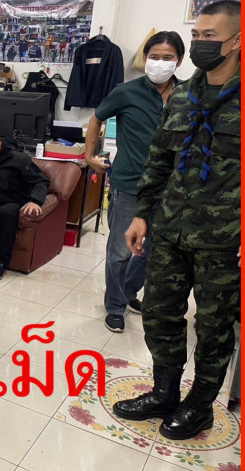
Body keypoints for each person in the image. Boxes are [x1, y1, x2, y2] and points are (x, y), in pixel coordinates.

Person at [112, 0, 241, 441]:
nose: (201, 43)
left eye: (211, 36)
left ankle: (200, 407)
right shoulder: (183, 96)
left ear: (236, 40)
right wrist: (142, 214)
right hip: (169, 228)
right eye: (197, 35)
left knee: (214, 326)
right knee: (160, 313)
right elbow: (159, 160)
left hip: (224, 239)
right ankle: (164, 393)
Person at [84, 31, 186, 333]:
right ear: (145, 58)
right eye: (154, 57)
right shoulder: (126, 92)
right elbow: (96, 117)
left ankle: (128, 292)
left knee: (152, 250)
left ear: (179, 61)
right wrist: (89, 155)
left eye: (167, 57)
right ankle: (115, 306)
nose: (160, 63)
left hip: (171, 188)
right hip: (129, 184)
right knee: (121, 251)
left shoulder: (187, 94)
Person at [0, 128, 49, 280]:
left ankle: (0, 263)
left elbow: (41, 181)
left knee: (7, 212)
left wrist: (35, 201)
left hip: (12, 203)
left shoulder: (19, 160)